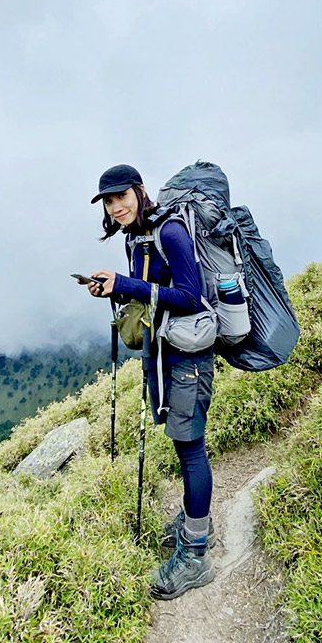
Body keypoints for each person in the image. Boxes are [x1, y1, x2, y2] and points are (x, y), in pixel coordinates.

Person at [83, 163, 216, 600]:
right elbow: (148, 289)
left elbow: (191, 297)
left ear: (139, 192)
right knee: (182, 444)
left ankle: (196, 553)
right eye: (108, 200)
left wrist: (127, 284)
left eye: (122, 196)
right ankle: (196, 521)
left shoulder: (170, 233)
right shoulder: (134, 238)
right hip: (164, 354)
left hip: (188, 358)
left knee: (190, 446)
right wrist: (115, 288)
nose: (116, 206)